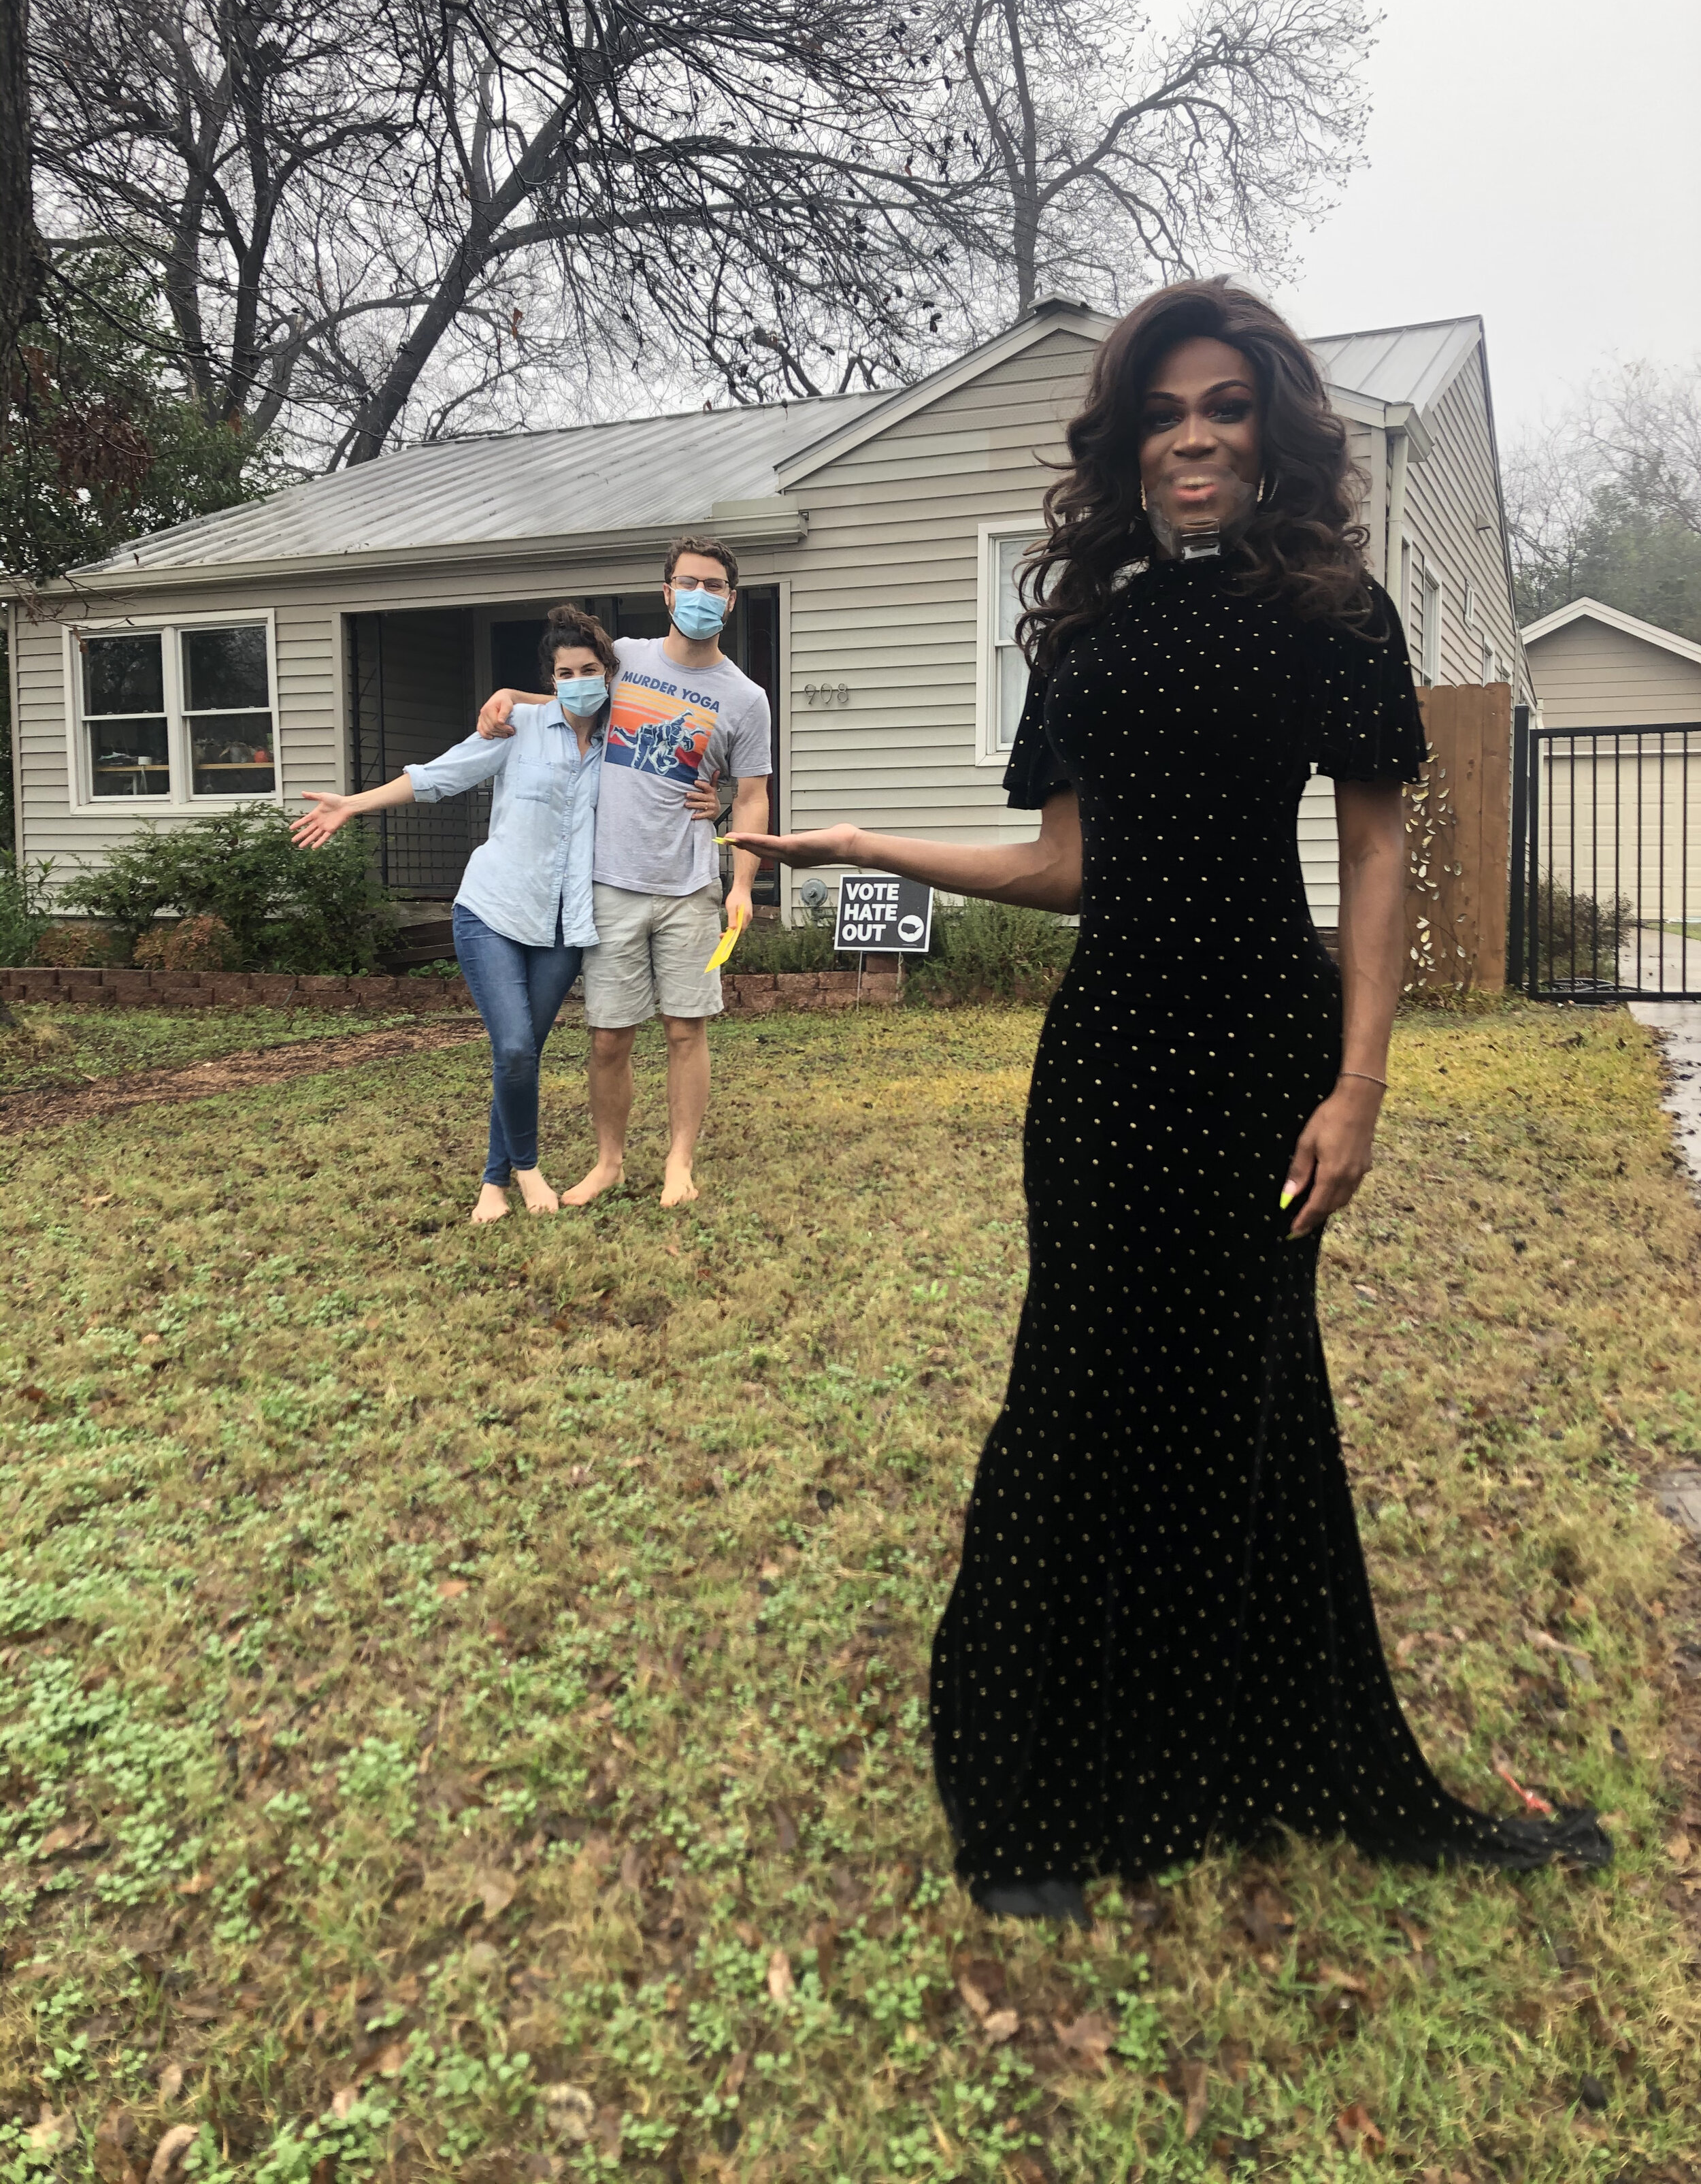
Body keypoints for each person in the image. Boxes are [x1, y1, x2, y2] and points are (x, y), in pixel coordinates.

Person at [727, 280, 1609, 1924]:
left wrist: (1360, 1086)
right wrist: (863, 847)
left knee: (1250, 1400)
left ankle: (1244, 1757)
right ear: (1126, 445)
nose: (1193, 435)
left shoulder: (1336, 614)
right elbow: (1064, 864)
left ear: (1269, 431)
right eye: (1163, 411)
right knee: (1072, 1397)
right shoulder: (1086, 630)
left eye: (1223, 406)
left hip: (1268, 1062)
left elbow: (1370, 850)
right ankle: (1029, 1798)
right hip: (1111, 1063)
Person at [292, 604, 712, 1224]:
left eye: (590, 669)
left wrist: (711, 799)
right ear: (552, 679)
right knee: (514, 1046)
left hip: (567, 926)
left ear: (608, 673)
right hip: (492, 910)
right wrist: (352, 804)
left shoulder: (623, 743)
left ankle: (492, 1182)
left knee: (522, 1053)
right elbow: (439, 777)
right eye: (565, 672)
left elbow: (676, 768)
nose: (578, 680)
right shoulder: (518, 728)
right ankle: (524, 1168)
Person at [475, 536, 772, 1209]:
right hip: (608, 883)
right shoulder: (628, 660)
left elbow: (752, 795)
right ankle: (608, 1163)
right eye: (688, 583)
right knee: (609, 1036)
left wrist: (743, 884)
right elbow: (569, 699)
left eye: (714, 586)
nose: (701, 596)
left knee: (684, 1029)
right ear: (667, 591)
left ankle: (678, 1164)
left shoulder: (745, 698)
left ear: (731, 599)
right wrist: (507, 698)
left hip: (690, 890)